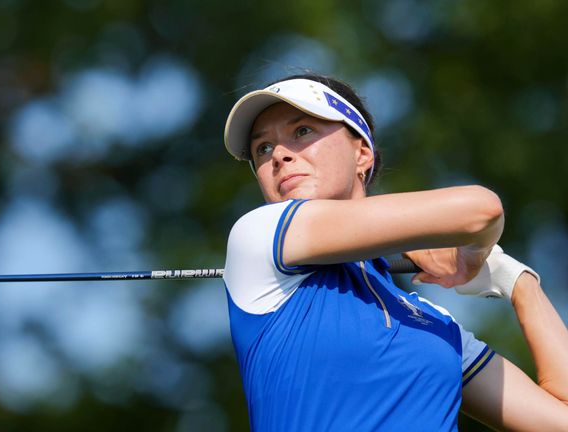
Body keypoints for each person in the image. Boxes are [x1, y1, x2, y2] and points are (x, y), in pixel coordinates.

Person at [221, 73, 568, 431]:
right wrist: (469, 255)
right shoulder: (259, 233)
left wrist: (516, 280)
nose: (278, 155)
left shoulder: (433, 325)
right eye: (263, 148)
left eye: (303, 131)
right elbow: (482, 210)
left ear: (362, 153)